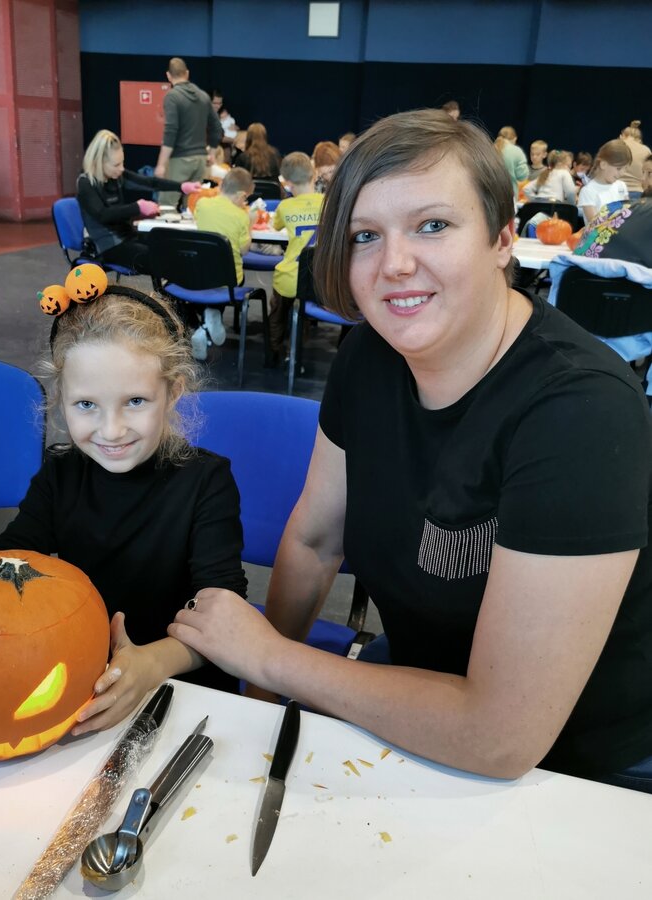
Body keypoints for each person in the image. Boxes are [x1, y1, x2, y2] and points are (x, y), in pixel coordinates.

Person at [168, 109, 652, 792]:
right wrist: (261, 702)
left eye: (432, 225)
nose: (393, 264)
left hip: (575, 772)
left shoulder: (580, 411)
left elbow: (500, 736)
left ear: (501, 239)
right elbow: (315, 537)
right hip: (414, 697)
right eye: (365, 235)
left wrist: (272, 659)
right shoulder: (370, 355)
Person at [0, 278, 247, 756]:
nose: (111, 430)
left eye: (135, 401)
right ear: (61, 399)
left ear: (173, 391)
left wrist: (153, 662)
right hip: (78, 687)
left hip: (182, 691)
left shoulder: (207, 482)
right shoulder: (61, 474)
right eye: (86, 405)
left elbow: (223, 615)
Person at [77, 130, 199, 273]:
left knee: (170, 247)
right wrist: (137, 207)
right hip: (108, 246)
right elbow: (103, 214)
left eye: (122, 162)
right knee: (161, 259)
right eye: (116, 165)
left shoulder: (117, 176)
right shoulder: (85, 183)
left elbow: (150, 182)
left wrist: (181, 187)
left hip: (128, 236)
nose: (121, 169)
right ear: (99, 162)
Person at [191, 167, 254, 360]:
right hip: (229, 279)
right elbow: (244, 250)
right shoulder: (241, 216)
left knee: (214, 277)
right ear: (241, 195)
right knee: (229, 277)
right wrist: (250, 224)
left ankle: (205, 324)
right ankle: (208, 323)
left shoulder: (202, 204)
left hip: (199, 275)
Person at [266, 152, 324, 362]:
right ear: (314, 174)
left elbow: (275, 226)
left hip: (289, 276)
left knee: (277, 312)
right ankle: (295, 353)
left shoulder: (285, 206)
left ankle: (272, 352)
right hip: (317, 279)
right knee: (304, 309)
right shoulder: (329, 203)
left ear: (288, 183)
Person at [155, 57, 223, 207]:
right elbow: (217, 128)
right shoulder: (203, 96)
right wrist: (211, 153)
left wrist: (161, 164)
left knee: (167, 205)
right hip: (201, 160)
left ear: (168, 76)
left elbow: (171, 131)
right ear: (187, 73)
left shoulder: (172, 97)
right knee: (192, 207)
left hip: (179, 159)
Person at [578, 139, 632, 224]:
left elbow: (627, 215)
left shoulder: (621, 186)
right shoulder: (588, 191)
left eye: (625, 169)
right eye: (618, 168)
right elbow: (594, 224)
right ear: (603, 164)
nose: (622, 173)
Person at [619, 121, 652, 201]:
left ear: (623, 135)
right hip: (638, 192)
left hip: (617, 192)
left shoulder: (616, 147)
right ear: (639, 138)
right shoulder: (646, 150)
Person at [494, 126, 529, 196]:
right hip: (509, 194)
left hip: (491, 194)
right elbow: (522, 176)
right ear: (515, 138)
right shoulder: (516, 151)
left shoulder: (491, 149)